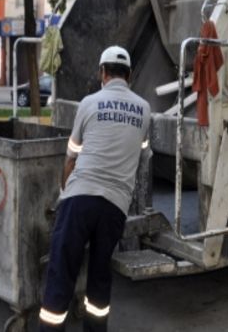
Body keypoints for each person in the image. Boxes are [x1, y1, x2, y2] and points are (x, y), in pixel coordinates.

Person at [39, 46, 150, 332]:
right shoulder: (144, 109)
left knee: (62, 273)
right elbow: (143, 154)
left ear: (102, 73)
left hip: (80, 200)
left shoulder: (89, 103)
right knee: (100, 278)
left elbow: (71, 157)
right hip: (114, 208)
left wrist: (64, 193)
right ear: (130, 75)